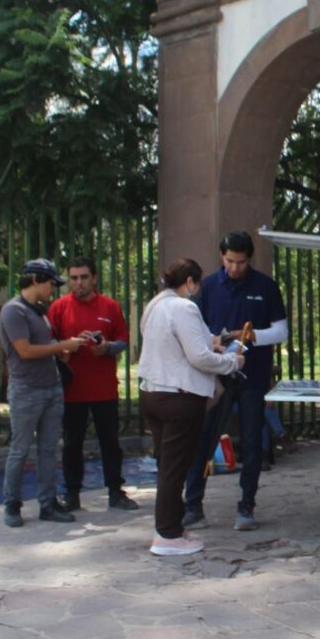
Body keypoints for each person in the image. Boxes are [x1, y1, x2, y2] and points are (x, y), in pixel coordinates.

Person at [183, 230, 288, 531]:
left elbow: (281, 331)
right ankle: (193, 506)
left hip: (252, 376)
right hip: (214, 376)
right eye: (229, 261)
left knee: (253, 442)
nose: (234, 268)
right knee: (202, 439)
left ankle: (246, 506)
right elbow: (196, 329)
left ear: (249, 259)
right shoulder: (209, 286)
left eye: (240, 262)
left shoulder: (265, 287)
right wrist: (214, 342)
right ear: (221, 257)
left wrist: (254, 336)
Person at [138, 259, 243, 556]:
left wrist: (213, 344)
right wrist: (231, 362)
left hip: (153, 392)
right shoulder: (184, 307)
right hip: (179, 397)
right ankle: (167, 534)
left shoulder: (156, 305)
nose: (197, 290)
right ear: (189, 282)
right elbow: (198, 356)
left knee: (168, 465)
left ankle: (170, 525)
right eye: (196, 283)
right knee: (175, 466)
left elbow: (174, 343)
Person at [0, 258, 88, 527]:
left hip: (51, 387)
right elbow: (24, 351)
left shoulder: (39, 311)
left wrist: (62, 351)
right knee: (20, 449)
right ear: (36, 280)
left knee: (49, 449)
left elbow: (43, 345)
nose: (54, 288)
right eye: (51, 283)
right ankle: (12, 504)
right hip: (26, 389)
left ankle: (48, 503)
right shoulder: (14, 311)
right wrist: (62, 345)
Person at [47, 257, 138, 511]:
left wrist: (108, 347)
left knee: (110, 441)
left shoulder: (109, 306)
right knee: (72, 443)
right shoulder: (59, 307)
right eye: (74, 278)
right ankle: (72, 493)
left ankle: (115, 491)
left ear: (94, 278)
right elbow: (49, 342)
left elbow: (122, 339)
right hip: (71, 389)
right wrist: (64, 350)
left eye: (84, 277)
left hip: (104, 388)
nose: (78, 283)